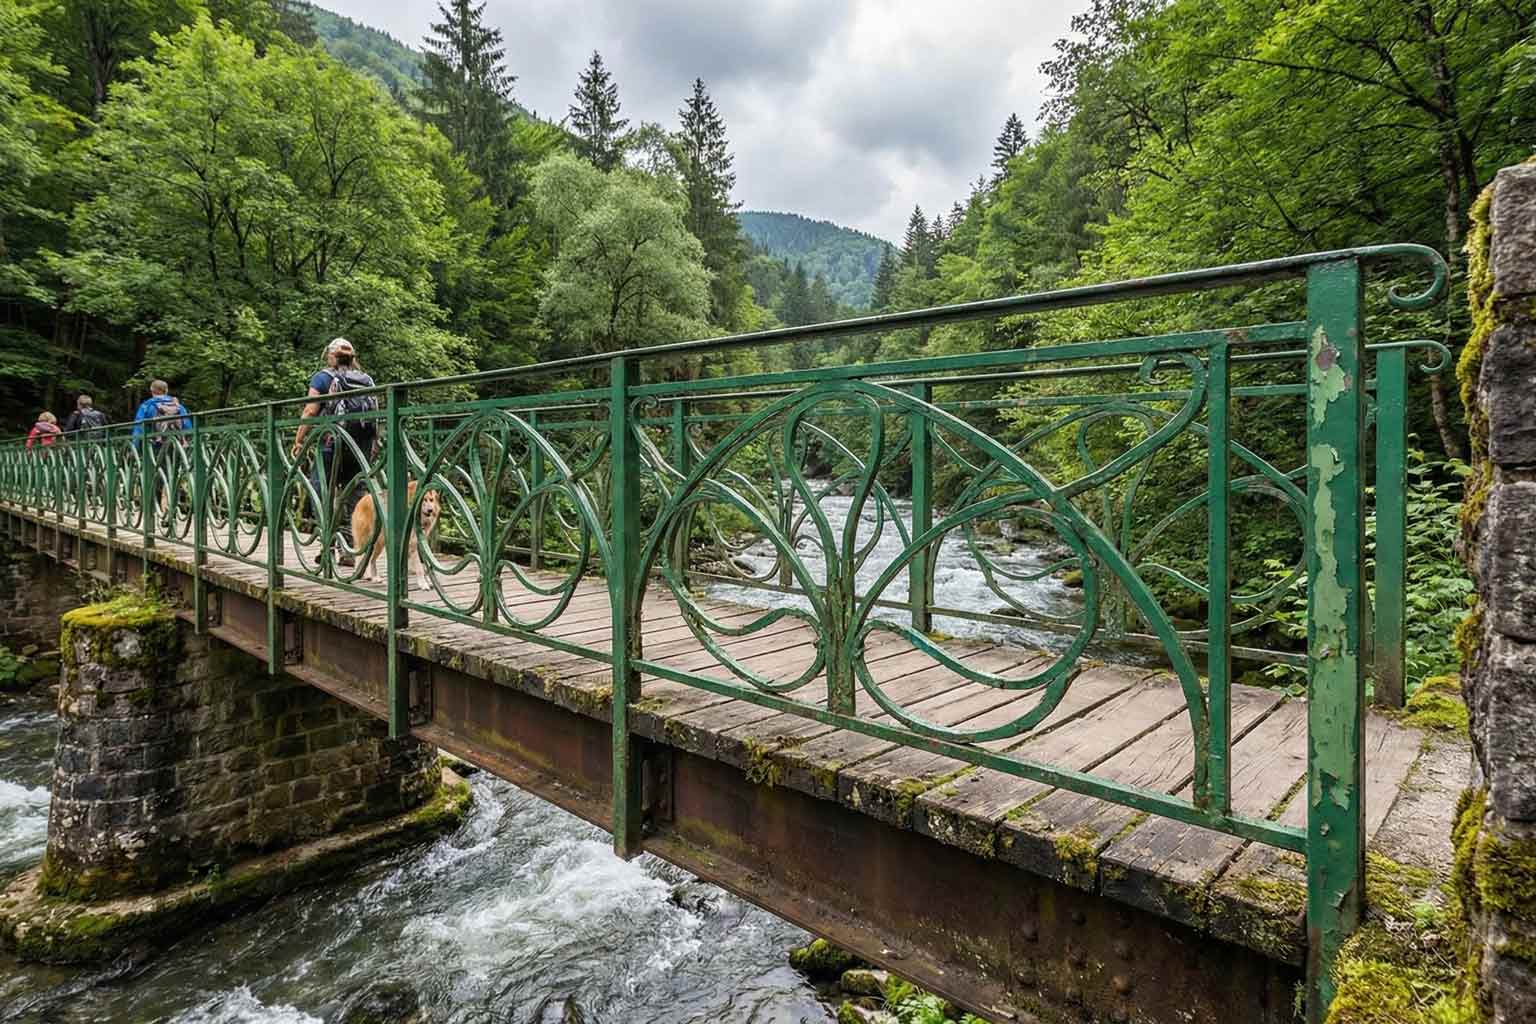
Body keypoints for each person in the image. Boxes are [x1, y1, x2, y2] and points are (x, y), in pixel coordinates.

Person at [292, 338, 378, 566]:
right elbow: (375, 413)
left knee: (322, 493)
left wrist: (299, 439)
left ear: (331, 356)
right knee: (355, 498)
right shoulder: (366, 379)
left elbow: (311, 410)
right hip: (360, 448)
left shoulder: (323, 377)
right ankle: (350, 550)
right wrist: (374, 443)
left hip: (331, 445)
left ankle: (328, 546)